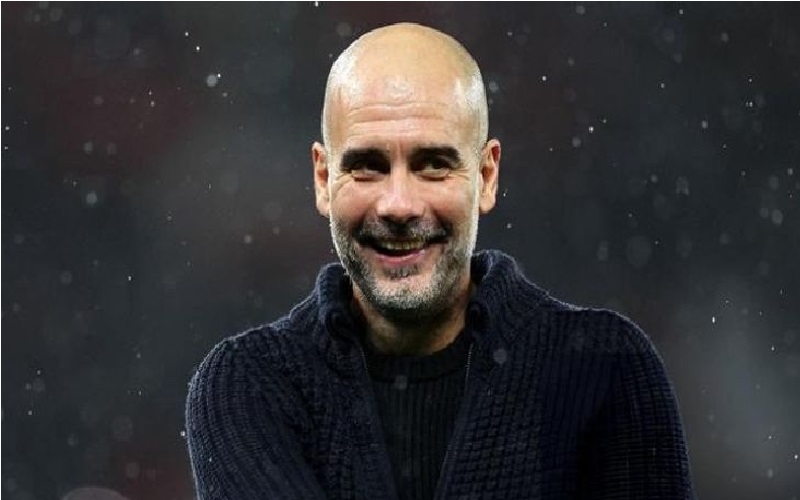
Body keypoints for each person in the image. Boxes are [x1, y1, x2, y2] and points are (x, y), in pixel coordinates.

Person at [185, 22, 694, 500]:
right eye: (368, 167)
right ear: (323, 179)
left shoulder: (603, 367)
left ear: (486, 176)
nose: (399, 205)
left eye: (432, 165)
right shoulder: (246, 385)